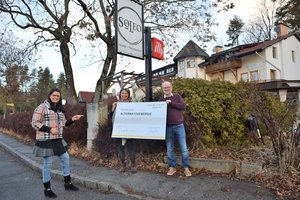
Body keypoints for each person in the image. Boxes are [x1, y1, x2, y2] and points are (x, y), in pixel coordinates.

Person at [31, 88, 83, 198]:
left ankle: (68, 183)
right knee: (47, 164)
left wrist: (72, 119)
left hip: (58, 139)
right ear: (49, 95)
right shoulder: (42, 107)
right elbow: (34, 123)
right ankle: (47, 188)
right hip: (46, 139)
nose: (56, 97)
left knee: (65, 158)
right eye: (54, 95)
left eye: (58, 96)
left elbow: (64, 123)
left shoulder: (59, 109)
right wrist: (49, 129)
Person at [160, 81, 192, 177]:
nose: (167, 89)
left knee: (183, 148)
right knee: (169, 149)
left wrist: (171, 103)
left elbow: (183, 106)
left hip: (179, 125)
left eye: (168, 87)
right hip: (167, 127)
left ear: (171, 87)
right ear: (162, 89)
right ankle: (172, 167)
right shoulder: (161, 100)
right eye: (165, 87)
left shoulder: (177, 96)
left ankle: (186, 168)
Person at [112, 88, 137, 173]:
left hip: (130, 131)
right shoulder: (116, 104)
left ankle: (133, 165)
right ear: (120, 94)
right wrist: (113, 109)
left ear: (128, 95)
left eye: (126, 93)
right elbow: (111, 118)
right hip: (119, 131)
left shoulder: (132, 104)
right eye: (123, 93)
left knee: (131, 149)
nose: (124, 95)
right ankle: (123, 165)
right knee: (121, 149)